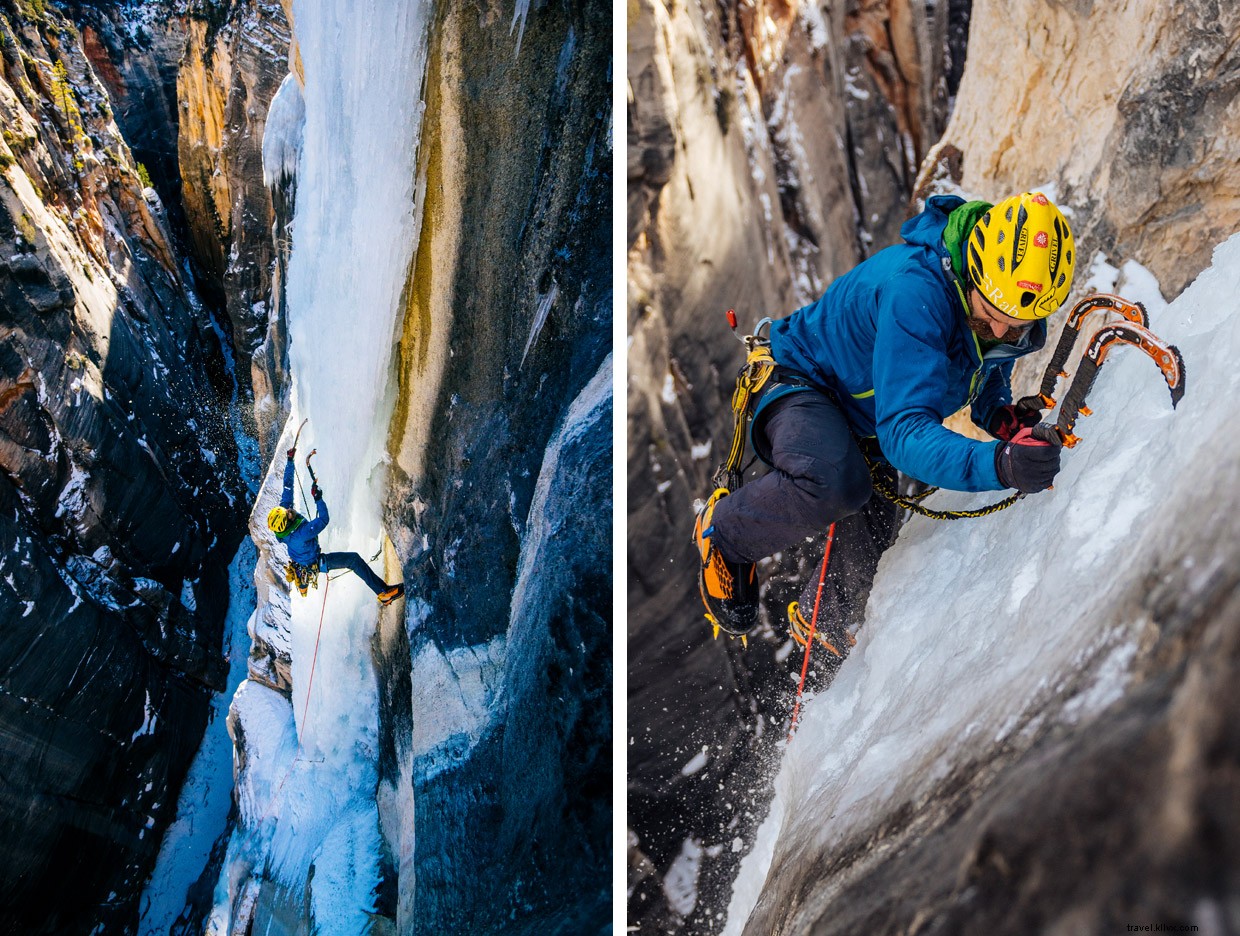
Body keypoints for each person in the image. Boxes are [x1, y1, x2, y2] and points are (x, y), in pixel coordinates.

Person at [695, 191, 1075, 632]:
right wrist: (1001, 464)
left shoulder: (1006, 297)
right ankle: (724, 536)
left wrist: (997, 414)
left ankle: (826, 635)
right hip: (800, 379)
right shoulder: (916, 292)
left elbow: (986, 365)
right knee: (837, 483)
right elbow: (904, 432)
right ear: (973, 270)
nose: (998, 329)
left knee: (863, 583)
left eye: (1015, 327)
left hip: (866, 419)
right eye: (990, 313)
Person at [267, 447, 405, 605]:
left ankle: (303, 582)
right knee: (353, 560)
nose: (289, 510)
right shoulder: (301, 534)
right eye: (288, 514)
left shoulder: (285, 526)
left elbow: (287, 487)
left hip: (301, 559)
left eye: (286, 511)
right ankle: (384, 593)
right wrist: (318, 499)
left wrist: (290, 461)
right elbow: (324, 519)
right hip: (315, 561)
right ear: (287, 523)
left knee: (322, 562)